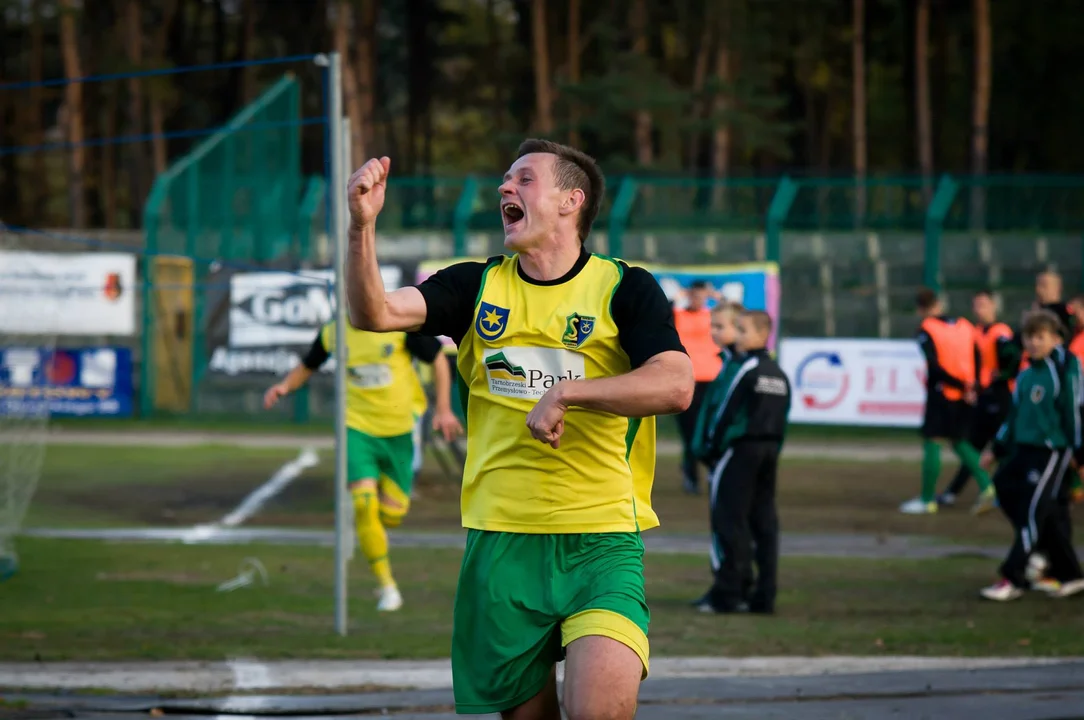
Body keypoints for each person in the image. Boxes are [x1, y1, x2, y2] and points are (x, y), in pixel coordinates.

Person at [343, 140, 694, 719]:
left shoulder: (624, 288)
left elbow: (675, 385)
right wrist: (361, 229)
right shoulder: (474, 286)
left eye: (524, 179)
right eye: (505, 179)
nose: (505, 188)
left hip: (600, 541)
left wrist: (568, 393)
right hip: (500, 541)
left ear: (570, 201)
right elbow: (372, 313)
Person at [263, 320, 463, 611]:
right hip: (356, 429)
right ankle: (387, 586)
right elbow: (308, 365)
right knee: (363, 504)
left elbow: (438, 361)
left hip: (400, 431)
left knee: (392, 515)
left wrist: (444, 409)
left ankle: (375, 535)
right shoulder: (333, 332)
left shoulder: (397, 327)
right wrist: (284, 386)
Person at [979, 310, 1084, 601]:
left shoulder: (1062, 369)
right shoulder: (1025, 376)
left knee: (1032, 512)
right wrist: (995, 448)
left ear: (1055, 339)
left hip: (1052, 451)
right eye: (1029, 337)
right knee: (1008, 490)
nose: (1034, 343)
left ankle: (1013, 577)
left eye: (1041, 337)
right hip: (1024, 449)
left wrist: (1079, 453)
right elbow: (1013, 417)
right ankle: (1069, 572)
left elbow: (1072, 412)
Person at [693, 309, 790, 615]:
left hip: (736, 452)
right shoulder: (777, 372)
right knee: (764, 522)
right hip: (769, 452)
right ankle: (764, 594)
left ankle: (729, 593)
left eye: (741, 329)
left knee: (729, 519)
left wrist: (710, 448)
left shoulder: (746, 369)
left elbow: (725, 414)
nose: (737, 335)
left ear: (763, 335)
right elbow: (782, 420)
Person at [900, 288, 996, 515]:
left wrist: (958, 385)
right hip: (966, 394)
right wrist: (972, 385)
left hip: (944, 393)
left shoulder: (926, 329)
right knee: (959, 441)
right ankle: (988, 486)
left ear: (920, 309)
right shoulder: (965, 325)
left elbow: (933, 366)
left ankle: (926, 500)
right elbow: (978, 356)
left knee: (933, 441)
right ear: (939, 304)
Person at [938, 290, 1019, 507]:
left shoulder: (1000, 331)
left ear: (994, 306)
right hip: (983, 397)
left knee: (1003, 449)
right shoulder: (974, 332)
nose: (978, 309)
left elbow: (1013, 355)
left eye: (983, 304)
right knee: (973, 448)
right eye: (976, 305)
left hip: (1000, 396)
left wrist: (1003, 374)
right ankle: (954, 492)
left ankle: (1007, 492)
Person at [673, 280, 723, 495]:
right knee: (690, 432)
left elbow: (737, 315)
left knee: (712, 431)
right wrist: (681, 295)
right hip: (686, 380)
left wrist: (717, 296)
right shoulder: (678, 315)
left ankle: (714, 472)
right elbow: (665, 310)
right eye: (694, 295)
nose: (698, 299)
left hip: (711, 381)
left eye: (702, 295)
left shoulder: (712, 316)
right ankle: (691, 474)